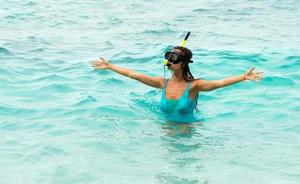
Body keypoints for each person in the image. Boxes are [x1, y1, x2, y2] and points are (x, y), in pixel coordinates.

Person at [91, 46, 263, 122]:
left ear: (183, 63)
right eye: (169, 57)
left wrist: (243, 77)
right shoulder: (162, 83)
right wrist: (109, 66)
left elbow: (220, 82)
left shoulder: (194, 86)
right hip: (165, 132)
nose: (169, 61)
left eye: (174, 58)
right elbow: (133, 74)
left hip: (187, 136)